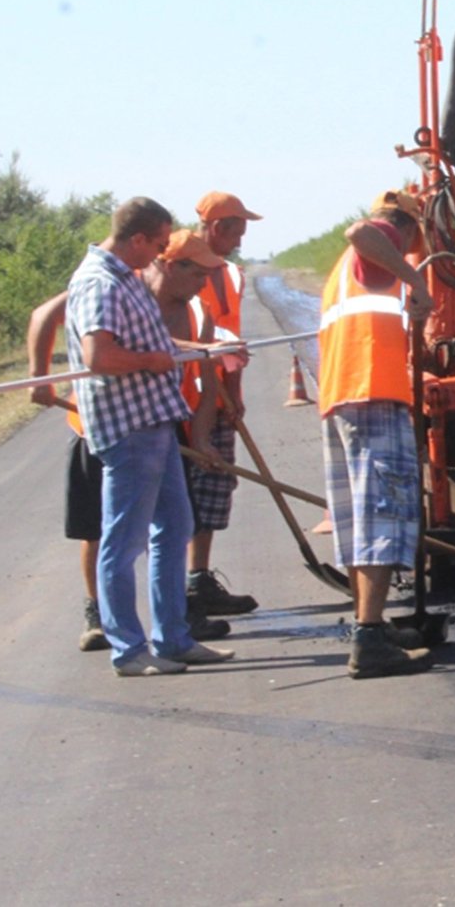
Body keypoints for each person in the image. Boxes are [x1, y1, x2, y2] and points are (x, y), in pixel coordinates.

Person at [28, 232, 235, 651]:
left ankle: (174, 634)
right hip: (102, 426)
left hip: (159, 421)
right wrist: (38, 377)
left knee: (172, 528)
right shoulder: (119, 286)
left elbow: (200, 377)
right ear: (170, 263)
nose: (206, 283)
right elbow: (45, 319)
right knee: (103, 531)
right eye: (200, 273)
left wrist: (200, 434)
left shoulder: (198, 309)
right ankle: (100, 618)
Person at [318, 190, 435, 678]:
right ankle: (369, 638)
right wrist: (417, 286)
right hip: (372, 392)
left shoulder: (345, 271)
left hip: (343, 394)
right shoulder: (380, 235)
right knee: (382, 515)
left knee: (359, 519)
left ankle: (372, 624)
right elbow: (360, 231)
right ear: (406, 227)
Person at [186, 190, 263, 617]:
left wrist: (236, 397)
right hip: (188, 398)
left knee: (216, 488)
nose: (240, 240)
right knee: (185, 492)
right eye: (236, 231)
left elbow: (233, 339)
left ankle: (199, 579)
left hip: (219, 399)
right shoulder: (178, 261)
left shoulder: (233, 274)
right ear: (217, 227)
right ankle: (177, 592)